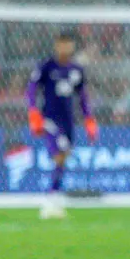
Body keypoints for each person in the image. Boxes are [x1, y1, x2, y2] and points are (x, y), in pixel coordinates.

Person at [26, 33, 98, 219]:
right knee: (60, 154)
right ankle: (50, 201)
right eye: (62, 44)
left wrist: (88, 118)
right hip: (49, 118)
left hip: (68, 121)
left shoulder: (76, 70)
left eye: (69, 44)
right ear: (56, 45)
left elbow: (82, 96)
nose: (65, 48)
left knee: (63, 156)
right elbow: (32, 88)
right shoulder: (47, 66)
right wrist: (33, 112)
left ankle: (53, 198)